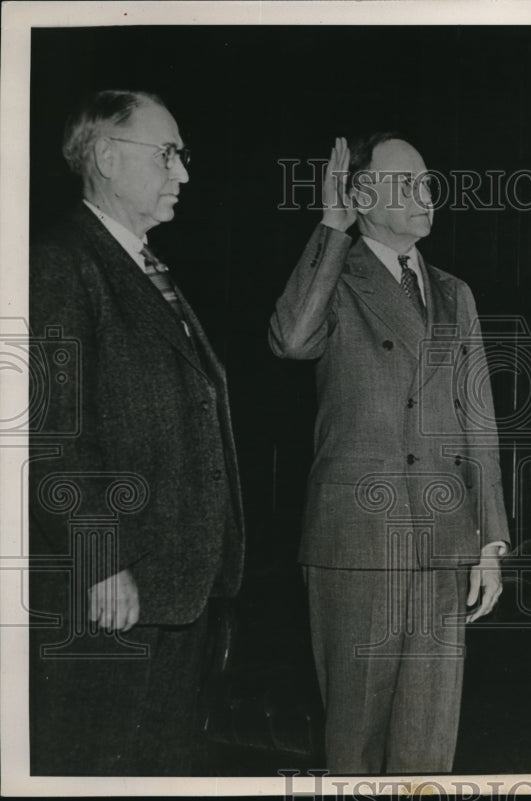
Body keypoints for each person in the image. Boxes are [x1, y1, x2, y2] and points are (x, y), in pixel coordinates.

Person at [269, 134, 510, 774]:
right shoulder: (334, 275)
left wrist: (489, 542)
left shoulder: (455, 292)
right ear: (362, 195)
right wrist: (332, 226)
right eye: (406, 183)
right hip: (359, 542)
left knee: (429, 747)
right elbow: (291, 339)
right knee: (355, 743)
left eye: (427, 182)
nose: (425, 194)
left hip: (444, 541)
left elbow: (478, 421)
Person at [29, 90, 245, 775]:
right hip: (115, 589)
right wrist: (102, 557)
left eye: (182, 155)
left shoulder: (146, 269)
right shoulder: (60, 263)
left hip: (175, 586)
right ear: (105, 157)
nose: (183, 172)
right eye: (167, 154)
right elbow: (49, 431)